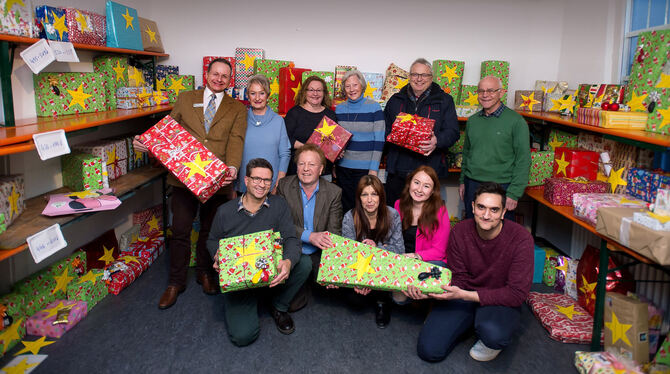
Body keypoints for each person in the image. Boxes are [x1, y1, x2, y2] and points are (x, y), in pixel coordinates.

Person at [134, 58, 246, 309]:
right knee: (181, 230)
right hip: (183, 180)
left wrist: (233, 168)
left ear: (230, 80)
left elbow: (237, 140)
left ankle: (204, 273)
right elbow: (168, 133)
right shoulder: (186, 98)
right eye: (215, 74)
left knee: (209, 231)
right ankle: (175, 282)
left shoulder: (237, 108)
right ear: (206, 74)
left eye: (225, 76)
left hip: (217, 180)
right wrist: (146, 143)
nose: (219, 79)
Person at [404, 182, 534, 363]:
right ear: (473, 207)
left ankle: (481, 326)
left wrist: (466, 295)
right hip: (463, 293)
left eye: (494, 210)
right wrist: (429, 291)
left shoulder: (521, 238)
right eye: (481, 207)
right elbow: (458, 277)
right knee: (429, 350)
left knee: (493, 335)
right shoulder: (460, 231)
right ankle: (469, 321)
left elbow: (516, 293)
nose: (486, 215)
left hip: (499, 299)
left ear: (504, 212)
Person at [206, 158, 311, 346]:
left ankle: (278, 305)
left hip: (270, 274)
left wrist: (287, 262)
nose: (261, 185)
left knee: (303, 263)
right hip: (241, 281)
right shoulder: (225, 211)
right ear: (246, 180)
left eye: (267, 180)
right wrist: (217, 255)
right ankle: (252, 302)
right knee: (243, 336)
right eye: (256, 179)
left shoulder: (278, 205)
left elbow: (291, 239)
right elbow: (213, 240)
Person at [383, 58, 460, 206]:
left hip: (429, 170)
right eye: (415, 74)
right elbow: (384, 129)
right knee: (395, 215)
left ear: (431, 78)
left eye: (424, 75)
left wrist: (436, 140)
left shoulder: (444, 100)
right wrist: (392, 136)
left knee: (426, 217)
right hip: (398, 170)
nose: (419, 79)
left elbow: (453, 132)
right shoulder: (395, 99)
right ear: (409, 77)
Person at [276, 144, 343, 311]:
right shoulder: (284, 186)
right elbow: (279, 224)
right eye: (301, 164)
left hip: (316, 253)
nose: (306, 169)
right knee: (293, 305)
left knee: (336, 289)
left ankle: (308, 279)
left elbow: (334, 232)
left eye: (312, 165)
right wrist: (309, 235)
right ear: (296, 166)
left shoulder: (334, 192)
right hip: (291, 249)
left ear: (320, 169)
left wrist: (332, 269)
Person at [459, 76, 530, 221]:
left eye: (491, 91)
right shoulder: (472, 121)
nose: (485, 95)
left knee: (500, 234)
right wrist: (462, 181)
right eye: (481, 91)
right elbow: (466, 154)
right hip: (472, 184)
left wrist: (514, 193)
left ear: (501, 92)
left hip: (501, 186)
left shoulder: (516, 121)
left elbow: (523, 160)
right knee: (471, 229)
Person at [341, 175, 404, 328]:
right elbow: (347, 254)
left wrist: (375, 249)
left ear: (381, 196)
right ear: (359, 197)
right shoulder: (350, 217)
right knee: (355, 302)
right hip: (360, 268)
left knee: (383, 289)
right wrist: (362, 279)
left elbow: (399, 250)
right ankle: (374, 292)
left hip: (383, 266)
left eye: (374, 194)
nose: (369, 200)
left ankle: (382, 301)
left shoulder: (392, 215)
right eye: (365, 194)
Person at [335, 70, 385, 214]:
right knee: (346, 207)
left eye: (355, 85)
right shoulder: (339, 109)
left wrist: (373, 169)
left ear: (362, 85)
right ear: (344, 89)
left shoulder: (374, 107)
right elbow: (336, 139)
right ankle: (347, 236)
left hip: (365, 169)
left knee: (365, 208)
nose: (352, 89)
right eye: (348, 86)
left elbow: (379, 140)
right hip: (343, 168)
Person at [237, 74, 290, 194]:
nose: (257, 98)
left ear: (268, 95)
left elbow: (285, 154)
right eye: (253, 93)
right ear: (247, 96)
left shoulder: (278, 121)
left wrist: (278, 184)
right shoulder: (240, 119)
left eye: (261, 93)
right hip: (244, 186)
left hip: (270, 187)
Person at [393, 166, 449, 267]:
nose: (419, 189)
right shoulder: (398, 205)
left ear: (432, 191)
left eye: (426, 186)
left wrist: (416, 256)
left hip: (427, 261)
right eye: (416, 182)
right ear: (409, 183)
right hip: (401, 259)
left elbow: (439, 251)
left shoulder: (440, 211)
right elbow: (391, 238)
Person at [284, 75, 337, 178]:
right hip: (298, 170)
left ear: (324, 93)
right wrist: (308, 148)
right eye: (311, 90)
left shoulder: (330, 115)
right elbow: (285, 139)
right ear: (305, 92)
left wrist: (337, 151)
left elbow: (334, 142)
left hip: (324, 172)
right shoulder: (294, 113)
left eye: (319, 90)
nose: (315, 94)